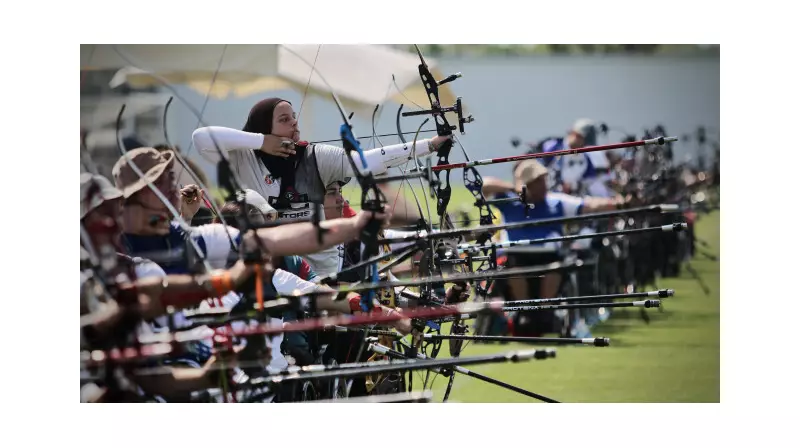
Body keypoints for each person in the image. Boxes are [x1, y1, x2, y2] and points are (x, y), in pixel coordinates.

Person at [191, 97, 450, 274]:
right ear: (263, 128)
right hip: (269, 268)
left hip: (323, 269)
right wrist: (261, 142)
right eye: (283, 119)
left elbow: (365, 162)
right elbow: (200, 137)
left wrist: (429, 145)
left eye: (293, 117)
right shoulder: (242, 157)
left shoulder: (316, 156)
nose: (294, 122)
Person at [481, 159, 628, 334]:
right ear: (527, 184)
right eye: (538, 181)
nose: (544, 185)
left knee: (556, 268)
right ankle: (524, 313)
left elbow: (589, 205)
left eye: (544, 180)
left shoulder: (556, 201)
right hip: (516, 257)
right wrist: (514, 189)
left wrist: (620, 203)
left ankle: (544, 313)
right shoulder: (508, 201)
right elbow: (484, 185)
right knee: (513, 269)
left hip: (549, 258)